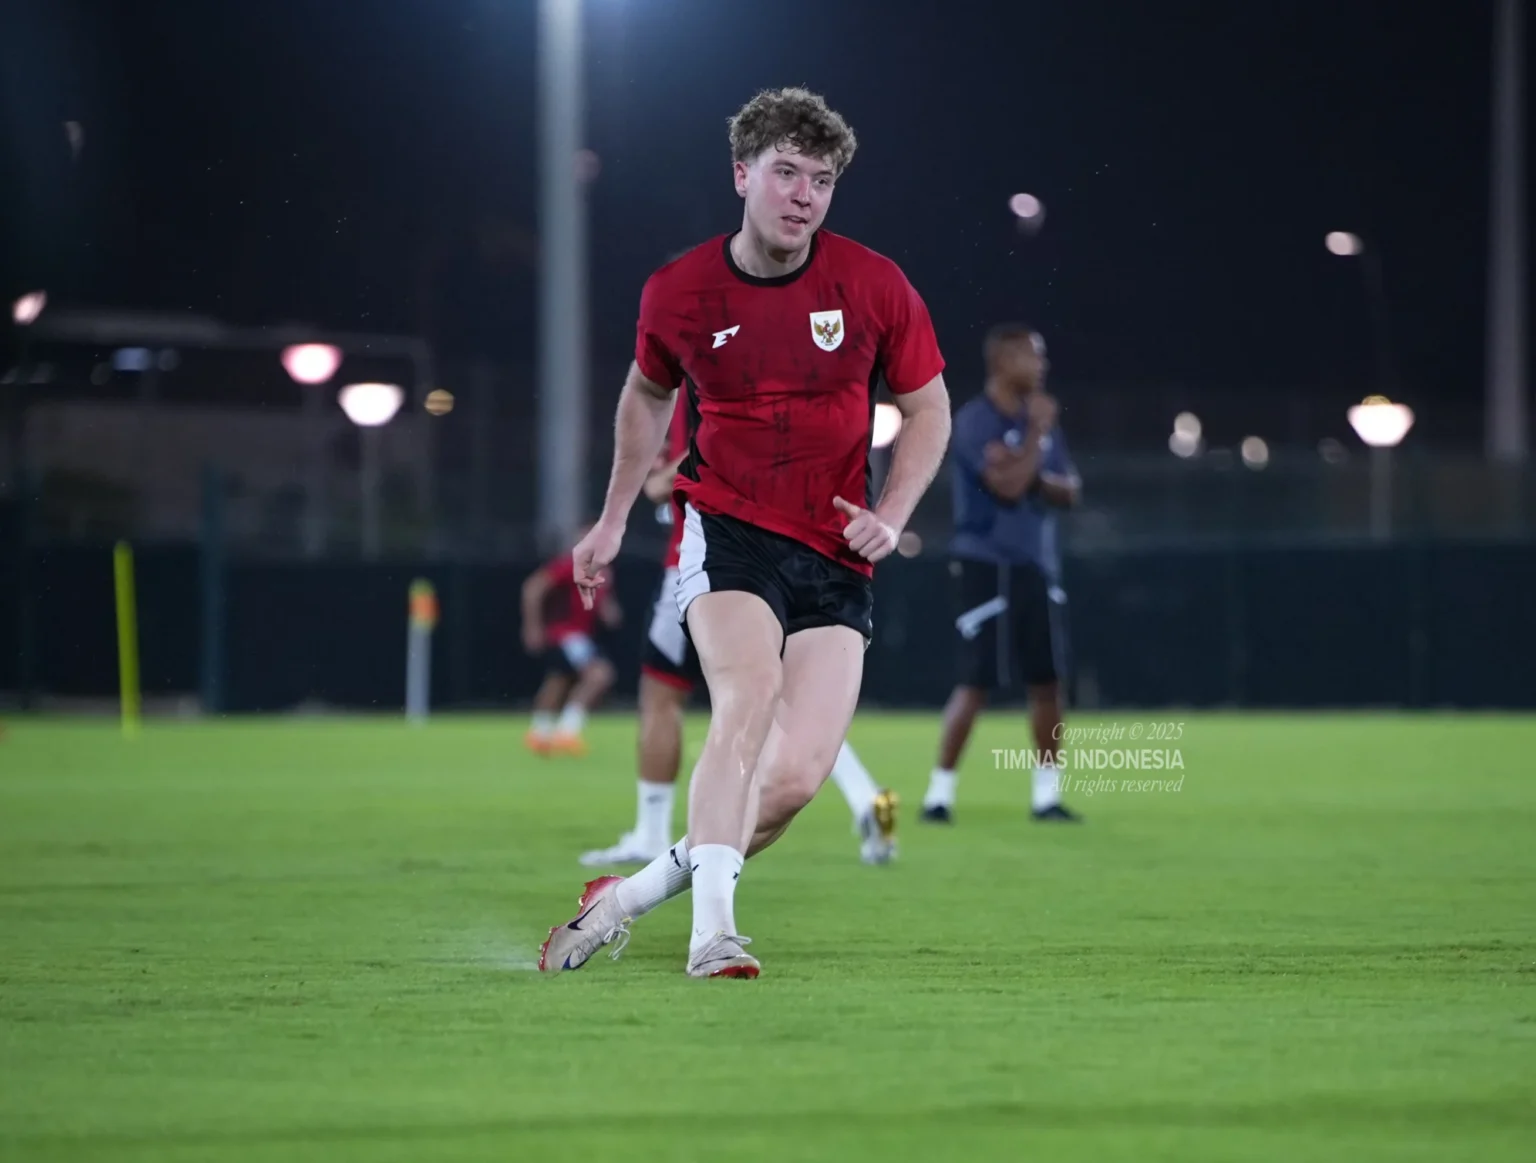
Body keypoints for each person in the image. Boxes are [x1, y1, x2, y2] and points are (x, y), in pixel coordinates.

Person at [539, 86, 951, 979]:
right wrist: (610, 520)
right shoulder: (680, 290)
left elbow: (929, 410)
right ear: (742, 174)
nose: (805, 195)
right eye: (787, 173)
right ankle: (712, 935)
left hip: (838, 552)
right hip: (725, 530)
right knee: (746, 697)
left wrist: (894, 515)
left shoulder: (875, 284)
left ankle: (627, 897)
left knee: (798, 778)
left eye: (823, 180)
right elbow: (646, 398)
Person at [577, 402, 901, 869]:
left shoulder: (709, 368)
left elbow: (694, 460)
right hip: (793, 563)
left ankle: (654, 835)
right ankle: (863, 795)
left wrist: (657, 478)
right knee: (779, 704)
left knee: (665, 693)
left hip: (709, 567)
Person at [919, 324, 1082, 824]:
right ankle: (939, 794)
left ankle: (1046, 796)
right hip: (984, 563)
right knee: (977, 679)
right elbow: (1008, 487)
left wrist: (1027, 464)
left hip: (1036, 562)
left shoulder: (1041, 424)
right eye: (1035, 356)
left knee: (1047, 681)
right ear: (1005, 360)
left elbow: (1071, 489)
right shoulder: (973, 421)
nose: (1042, 366)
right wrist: (1033, 441)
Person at [521, 541, 622, 757]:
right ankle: (567, 733)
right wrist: (532, 626)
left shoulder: (604, 571)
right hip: (567, 633)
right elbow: (533, 588)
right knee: (599, 676)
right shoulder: (570, 565)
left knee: (559, 680)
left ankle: (539, 733)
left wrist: (608, 610)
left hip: (582, 635)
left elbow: (604, 605)